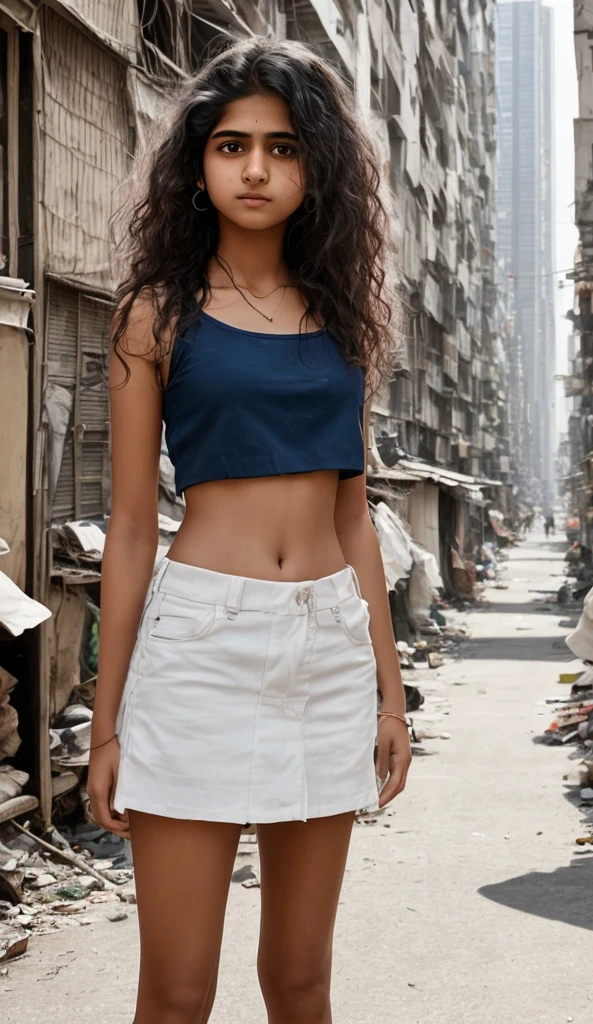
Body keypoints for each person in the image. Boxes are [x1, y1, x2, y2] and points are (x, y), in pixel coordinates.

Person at [88, 38, 411, 1024]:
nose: (256, 168)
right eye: (231, 146)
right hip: (198, 650)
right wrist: (106, 726)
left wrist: (389, 696)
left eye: (280, 146)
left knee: (301, 983)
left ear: (315, 166)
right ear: (198, 164)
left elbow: (353, 515)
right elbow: (134, 528)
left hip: (323, 652)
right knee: (178, 991)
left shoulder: (344, 321)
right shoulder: (156, 315)